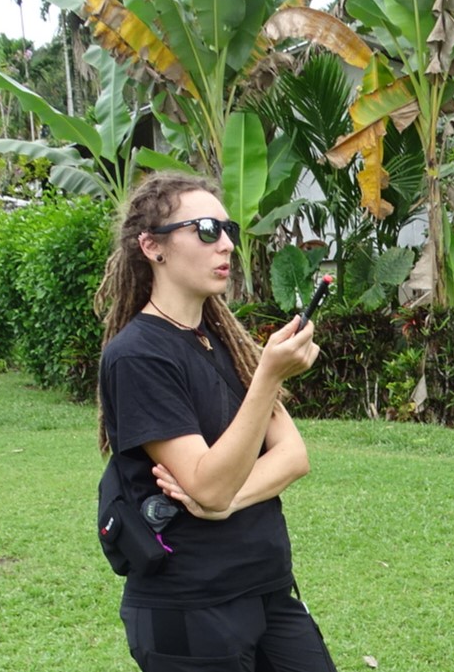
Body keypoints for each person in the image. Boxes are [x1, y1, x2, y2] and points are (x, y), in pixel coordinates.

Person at [94, 170, 337, 671]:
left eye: (228, 230)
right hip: (190, 609)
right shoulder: (137, 356)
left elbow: (292, 457)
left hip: (267, 590)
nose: (225, 244)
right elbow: (207, 483)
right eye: (206, 229)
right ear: (152, 246)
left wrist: (225, 504)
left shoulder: (224, 338)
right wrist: (268, 375)